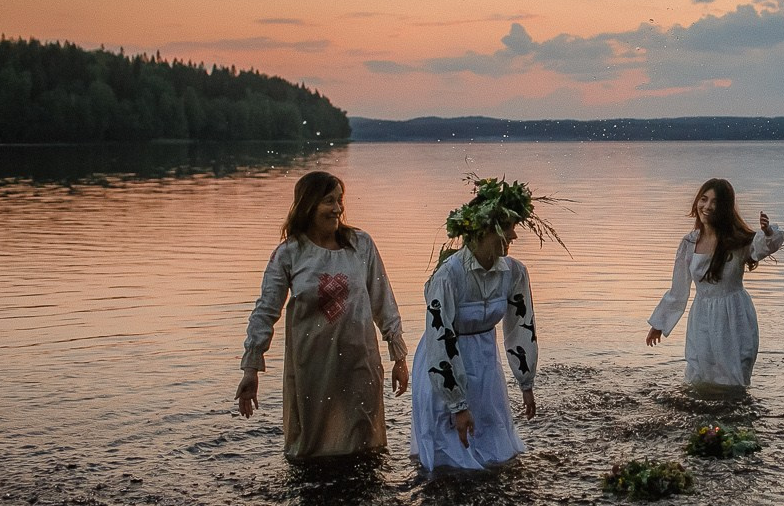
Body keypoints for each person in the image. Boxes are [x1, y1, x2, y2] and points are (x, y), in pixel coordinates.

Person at [236, 171, 409, 460]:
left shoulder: (361, 245)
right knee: (314, 449)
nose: (338, 208)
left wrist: (399, 355)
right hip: (312, 366)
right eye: (329, 201)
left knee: (365, 447)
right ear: (308, 204)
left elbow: (383, 301)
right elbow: (266, 311)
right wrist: (251, 368)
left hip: (360, 361)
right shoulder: (290, 253)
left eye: (340, 200)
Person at [411, 176, 562, 472]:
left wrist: (525, 383)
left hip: (485, 363)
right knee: (450, 457)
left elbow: (521, 327)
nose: (514, 236)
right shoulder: (449, 276)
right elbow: (440, 336)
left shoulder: (513, 273)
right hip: (444, 363)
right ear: (484, 229)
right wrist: (457, 403)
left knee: (495, 453)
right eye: (508, 228)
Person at [646, 178, 784, 389]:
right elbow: (678, 290)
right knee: (699, 377)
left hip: (735, 316)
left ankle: (737, 416)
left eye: (715, 202)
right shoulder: (689, 242)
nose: (708, 206)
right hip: (702, 316)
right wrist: (659, 324)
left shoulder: (737, 241)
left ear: (725, 208)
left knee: (734, 378)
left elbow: (765, 246)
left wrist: (767, 232)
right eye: (704, 199)